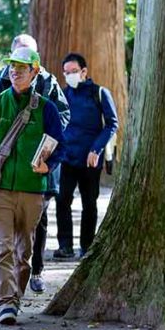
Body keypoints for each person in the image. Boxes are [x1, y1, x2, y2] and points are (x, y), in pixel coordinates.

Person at [0, 47, 64, 325]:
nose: (15, 72)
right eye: (12, 67)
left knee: (25, 252)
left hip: (33, 189)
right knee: (3, 246)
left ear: (35, 71)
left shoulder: (47, 108)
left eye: (22, 68)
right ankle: (6, 302)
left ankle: (16, 296)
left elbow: (61, 145)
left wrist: (49, 166)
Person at [56, 53, 119, 257]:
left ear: (84, 71)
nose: (70, 76)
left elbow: (112, 124)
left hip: (91, 159)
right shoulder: (63, 95)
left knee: (89, 203)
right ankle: (65, 246)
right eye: (66, 73)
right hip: (67, 157)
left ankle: (87, 247)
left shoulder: (99, 93)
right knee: (62, 200)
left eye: (73, 72)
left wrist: (97, 148)